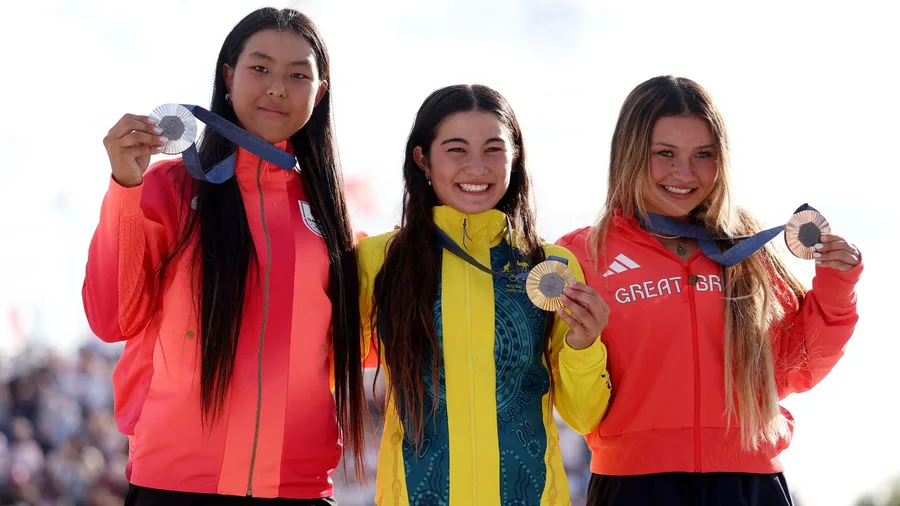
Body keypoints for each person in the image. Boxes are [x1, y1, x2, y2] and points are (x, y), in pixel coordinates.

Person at [81, 7, 367, 505]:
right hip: (174, 485)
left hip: (297, 489)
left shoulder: (333, 218)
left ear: (319, 93)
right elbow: (112, 318)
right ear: (229, 75)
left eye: (298, 74)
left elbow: (374, 341)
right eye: (260, 68)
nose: (277, 87)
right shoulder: (169, 189)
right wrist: (124, 189)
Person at [556, 75, 863, 506]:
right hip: (635, 486)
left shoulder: (748, 246)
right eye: (665, 154)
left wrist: (837, 287)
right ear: (628, 154)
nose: (685, 173)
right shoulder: (582, 254)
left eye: (704, 155)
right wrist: (580, 346)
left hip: (749, 484)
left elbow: (798, 367)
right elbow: (575, 408)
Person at [357, 84, 613, 506]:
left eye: (494, 149)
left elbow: (584, 416)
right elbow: (324, 367)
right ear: (422, 158)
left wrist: (584, 346)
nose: (477, 167)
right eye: (456, 149)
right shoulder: (378, 260)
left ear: (515, 157)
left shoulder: (551, 265)